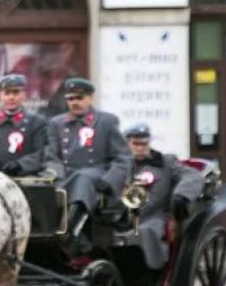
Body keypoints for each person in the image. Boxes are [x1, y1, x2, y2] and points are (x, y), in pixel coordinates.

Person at [43, 77, 132, 252]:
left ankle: (71, 231)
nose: (75, 103)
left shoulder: (106, 121)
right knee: (43, 186)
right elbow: (51, 156)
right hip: (66, 178)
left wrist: (110, 180)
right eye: (71, 99)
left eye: (80, 98)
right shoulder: (56, 124)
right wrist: (56, 175)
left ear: (90, 98)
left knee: (82, 178)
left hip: (97, 176)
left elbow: (123, 157)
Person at [123, 123, 205, 269]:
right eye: (136, 144)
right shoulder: (118, 165)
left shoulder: (165, 162)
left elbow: (192, 176)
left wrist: (181, 195)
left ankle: (150, 274)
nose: (141, 148)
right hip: (122, 218)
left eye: (144, 143)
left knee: (143, 233)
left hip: (154, 218)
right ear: (127, 143)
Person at [0, 73, 49, 176]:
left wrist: (20, 165)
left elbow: (42, 153)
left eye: (16, 93)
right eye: (7, 93)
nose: (11, 97)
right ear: (0, 96)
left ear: (24, 95)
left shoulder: (36, 122)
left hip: (24, 177)